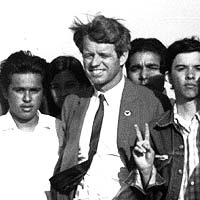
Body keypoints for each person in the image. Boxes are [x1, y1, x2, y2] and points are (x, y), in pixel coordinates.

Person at [50, 15, 164, 200]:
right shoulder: (73, 103)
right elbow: (65, 161)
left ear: (123, 56)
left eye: (103, 55)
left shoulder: (150, 102)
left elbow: (161, 172)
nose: (94, 63)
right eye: (88, 55)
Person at [132, 37, 200, 199]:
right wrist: (147, 172)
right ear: (168, 77)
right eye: (182, 68)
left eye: (198, 68)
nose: (190, 75)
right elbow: (151, 195)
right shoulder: (154, 131)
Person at [0, 50, 62, 200]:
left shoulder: (59, 129)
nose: (27, 98)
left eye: (34, 90)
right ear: (5, 92)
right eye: (19, 90)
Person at [125, 38, 172, 111]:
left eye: (152, 68)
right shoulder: (117, 110)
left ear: (165, 74)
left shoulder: (177, 111)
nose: (143, 76)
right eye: (135, 69)